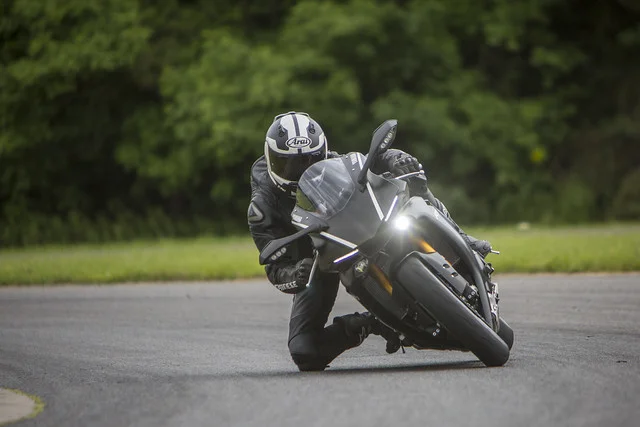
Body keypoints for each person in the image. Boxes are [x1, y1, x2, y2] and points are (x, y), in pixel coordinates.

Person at [247, 111, 490, 371]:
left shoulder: (330, 164)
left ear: (322, 152)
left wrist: (397, 159)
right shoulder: (262, 207)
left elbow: (369, 161)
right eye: (287, 165)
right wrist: (295, 273)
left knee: (414, 185)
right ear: (270, 159)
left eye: (310, 160)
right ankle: (370, 324)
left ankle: (463, 239)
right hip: (319, 259)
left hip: (363, 226)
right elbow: (275, 267)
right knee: (304, 350)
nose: (299, 172)